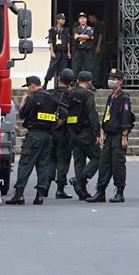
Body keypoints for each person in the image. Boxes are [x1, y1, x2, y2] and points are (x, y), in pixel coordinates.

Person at [9, 76, 60, 205]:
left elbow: (22, 114)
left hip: (34, 135)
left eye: (28, 87)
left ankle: (19, 194)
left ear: (32, 85)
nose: (28, 90)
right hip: (47, 136)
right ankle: (40, 195)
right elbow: (62, 113)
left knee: (25, 163)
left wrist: (24, 101)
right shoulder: (52, 98)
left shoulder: (33, 97)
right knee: (43, 165)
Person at [92, 68, 134, 203]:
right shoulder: (111, 97)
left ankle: (119, 191)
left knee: (118, 164)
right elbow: (106, 116)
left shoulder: (124, 97)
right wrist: (103, 132)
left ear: (120, 81)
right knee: (104, 163)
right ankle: (100, 191)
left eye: (114, 78)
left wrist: (124, 136)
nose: (111, 80)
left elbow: (126, 117)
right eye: (110, 77)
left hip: (118, 135)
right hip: (109, 135)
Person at [68, 70, 102, 201]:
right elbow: (92, 115)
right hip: (85, 131)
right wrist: (97, 132)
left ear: (77, 81)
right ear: (89, 82)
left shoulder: (70, 94)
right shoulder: (88, 95)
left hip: (72, 132)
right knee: (98, 157)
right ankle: (80, 179)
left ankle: (82, 191)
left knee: (79, 160)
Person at [51, 69, 77, 199]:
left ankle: (43, 187)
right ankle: (60, 188)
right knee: (63, 160)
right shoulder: (71, 95)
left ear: (59, 78)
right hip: (65, 132)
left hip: (51, 131)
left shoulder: (50, 94)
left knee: (50, 158)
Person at [43, 15, 71, 88]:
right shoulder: (53, 30)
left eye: (64, 19)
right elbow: (51, 41)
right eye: (62, 19)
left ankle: (60, 85)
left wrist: (68, 52)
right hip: (56, 51)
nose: (63, 21)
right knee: (51, 68)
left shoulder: (66, 30)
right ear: (58, 20)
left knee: (62, 69)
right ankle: (45, 83)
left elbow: (68, 41)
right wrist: (52, 52)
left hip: (63, 52)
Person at [70, 13, 98, 79]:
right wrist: (85, 37)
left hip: (87, 50)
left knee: (89, 67)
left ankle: (90, 83)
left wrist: (79, 36)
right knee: (77, 67)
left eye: (84, 18)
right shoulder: (76, 29)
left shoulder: (90, 28)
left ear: (86, 20)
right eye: (81, 18)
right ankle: (75, 82)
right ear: (78, 20)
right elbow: (75, 37)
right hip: (78, 50)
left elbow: (88, 36)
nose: (82, 20)